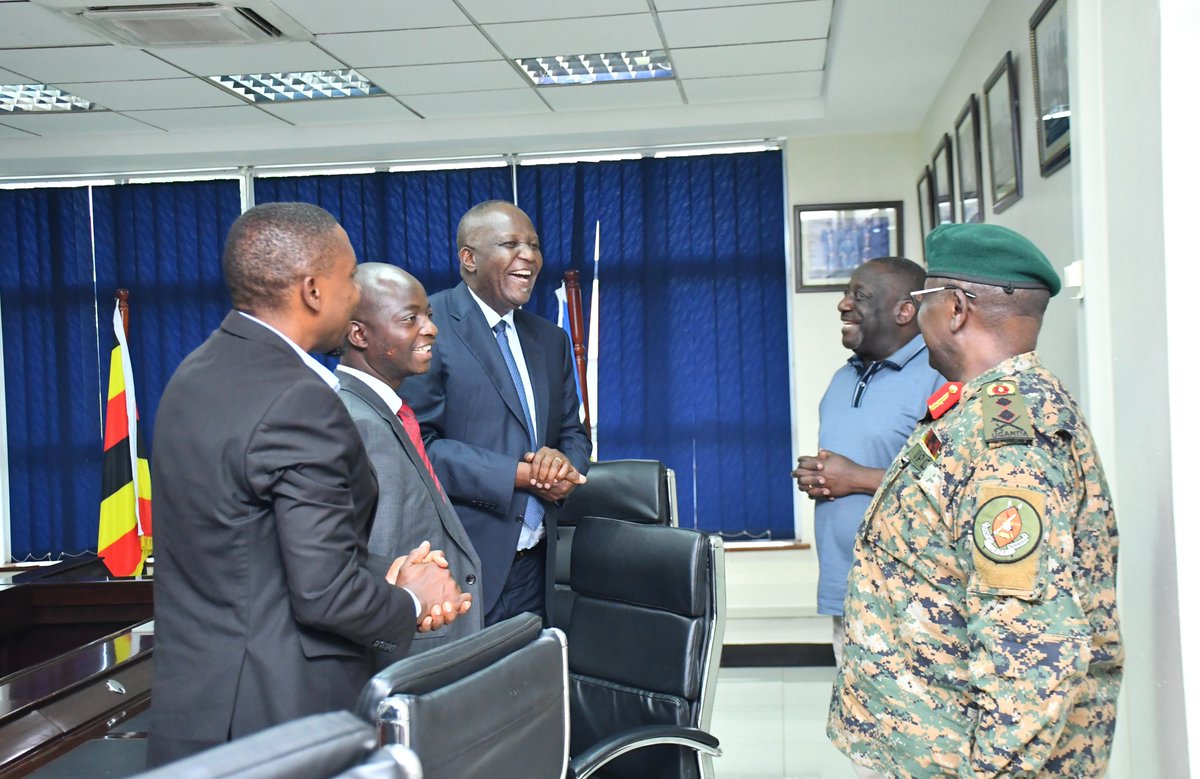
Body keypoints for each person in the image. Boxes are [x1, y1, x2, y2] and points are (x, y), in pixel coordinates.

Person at [148, 203, 470, 765]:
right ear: (314, 291)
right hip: (281, 717)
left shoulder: (193, 374)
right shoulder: (301, 399)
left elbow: (251, 547)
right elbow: (324, 594)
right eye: (348, 279)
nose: (355, 293)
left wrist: (386, 572)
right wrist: (411, 599)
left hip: (196, 708)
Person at [827, 224, 1124, 777]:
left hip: (966, 760)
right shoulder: (980, 413)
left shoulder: (1006, 445)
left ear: (957, 309)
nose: (919, 316)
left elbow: (1033, 653)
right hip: (935, 745)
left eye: (923, 301)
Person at [402, 200, 592, 626]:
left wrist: (562, 466)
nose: (529, 256)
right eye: (510, 244)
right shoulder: (429, 328)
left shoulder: (550, 339)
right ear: (469, 258)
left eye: (534, 245)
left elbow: (574, 433)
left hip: (536, 565)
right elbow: (419, 448)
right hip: (459, 569)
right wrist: (520, 475)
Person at [792, 257, 943, 668]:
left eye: (859, 296)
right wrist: (822, 478)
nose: (843, 304)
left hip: (909, 599)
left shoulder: (938, 375)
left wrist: (855, 478)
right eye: (846, 294)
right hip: (846, 591)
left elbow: (949, 478)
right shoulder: (843, 379)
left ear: (904, 310)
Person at [336, 263, 483, 656]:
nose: (431, 329)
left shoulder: (386, 411)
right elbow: (368, 557)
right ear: (359, 334)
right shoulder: (357, 423)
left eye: (429, 316)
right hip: (407, 652)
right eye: (410, 318)